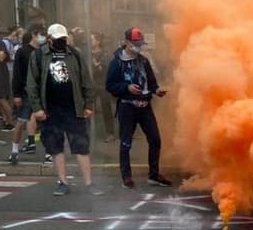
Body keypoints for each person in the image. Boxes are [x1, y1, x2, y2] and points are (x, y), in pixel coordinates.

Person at [27, 23, 102, 196]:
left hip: (73, 108)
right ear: (49, 40)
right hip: (50, 110)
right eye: (58, 39)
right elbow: (32, 84)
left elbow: (86, 81)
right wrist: (37, 108)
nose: (62, 42)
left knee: (81, 145)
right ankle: (63, 182)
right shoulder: (38, 56)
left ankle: (89, 183)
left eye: (64, 39)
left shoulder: (75, 54)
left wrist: (89, 104)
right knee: (55, 146)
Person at [106, 26, 170, 189]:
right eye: (136, 43)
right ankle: (126, 176)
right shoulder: (117, 62)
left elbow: (152, 82)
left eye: (140, 43)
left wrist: (156, 90)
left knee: (155, 139)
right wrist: (126, 88)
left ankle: (154, 175)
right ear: (126, 42)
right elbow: (110, 85)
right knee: (126, 143)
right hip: (127, 108)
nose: (139, 46)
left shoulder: (144, 61)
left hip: (145, 107)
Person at [9, 24, 44, 164]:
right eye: (42, 34)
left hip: (40, 90)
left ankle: (48, 153)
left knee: (45, 121)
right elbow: (17, 73)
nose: (44, 38)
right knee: (21, 121)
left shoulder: (43, 51)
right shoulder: (23, 52)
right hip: (25, 90)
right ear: (34, 35)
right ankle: (14, 150)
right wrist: (16, 93)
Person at [91, 32, 116, 142]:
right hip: (91, 84)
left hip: (102, 84)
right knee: (88, 108)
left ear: (98, 41)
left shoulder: (104, 54)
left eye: (92, 39)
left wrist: (95, 63)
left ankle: (110, 133)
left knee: (106, 109)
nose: (90, 41)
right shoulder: (87, 53)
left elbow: (102, 70)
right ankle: (88, 133)